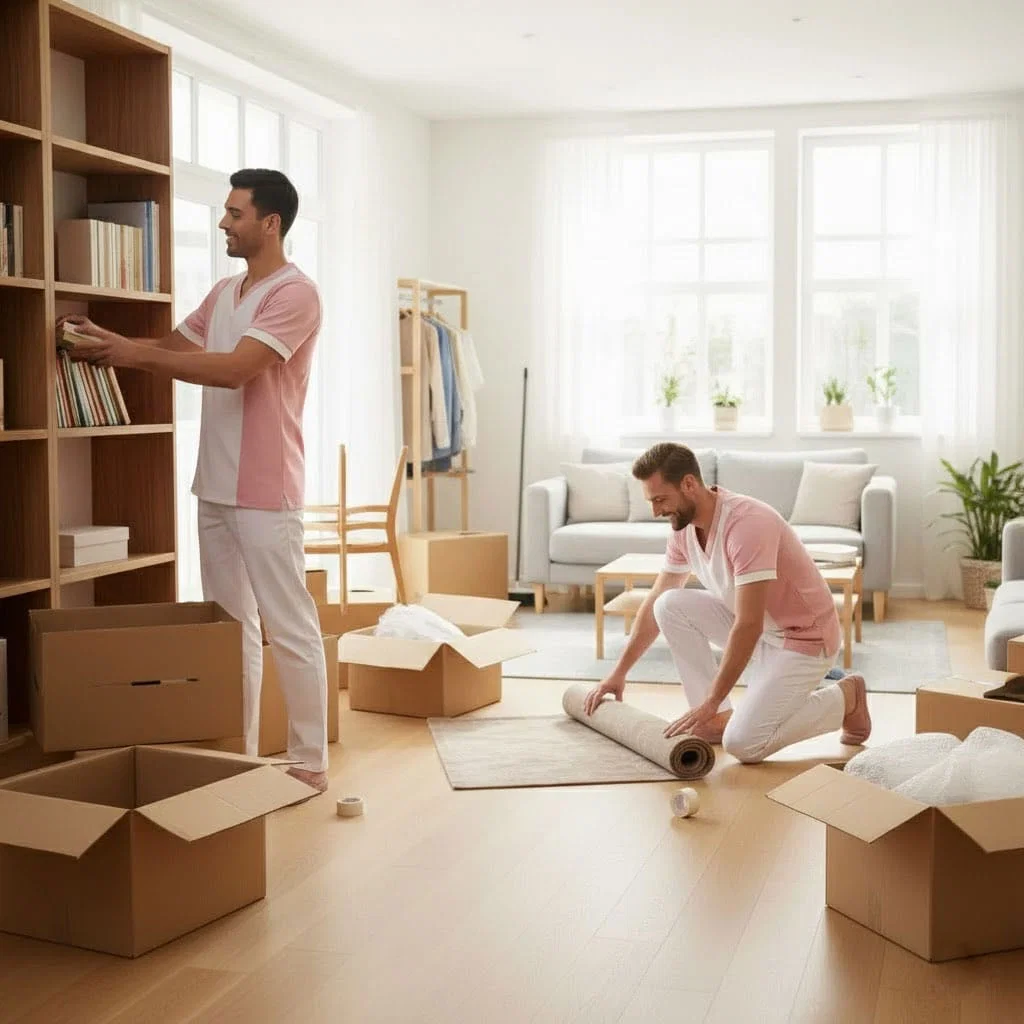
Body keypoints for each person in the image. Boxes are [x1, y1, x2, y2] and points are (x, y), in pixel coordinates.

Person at [59, 168, 330, 794]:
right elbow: (172, 346)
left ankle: (309, 761)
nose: (223, 224)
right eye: (225, 212)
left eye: (235, 214)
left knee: (288, 624)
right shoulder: (224, 292)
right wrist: (114, 343)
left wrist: (136, 354)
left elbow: (237, 370)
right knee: (229, 629)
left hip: (266, 490)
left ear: (270, 223)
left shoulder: (297, 294)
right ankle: (238, 751)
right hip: (214, 486)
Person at [583, 442, 871, 762]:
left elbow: (747, 625)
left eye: (661, 499)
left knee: (744, 744)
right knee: (667, 604)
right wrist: (618, 673)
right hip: (763, 630)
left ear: (689, 484)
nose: (655, 512)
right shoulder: (683, 528)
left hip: (803, 638)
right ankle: (716, 720)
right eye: (651, 502)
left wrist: (711, 698)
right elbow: (655, 602)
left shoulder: (747, 524)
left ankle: (846, 698)